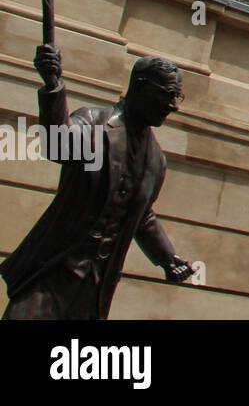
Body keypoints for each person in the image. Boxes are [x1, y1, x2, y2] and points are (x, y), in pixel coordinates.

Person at [1, 45, 194, 319]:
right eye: (167, 95)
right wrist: (53, 86)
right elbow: (58, 146)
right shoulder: (94, 123)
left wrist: (167, 258)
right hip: (53, 270)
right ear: (141, 86)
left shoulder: (156, 160)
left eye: (177, 97)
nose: (173, 106)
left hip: (96, 284)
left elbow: (142, 216)